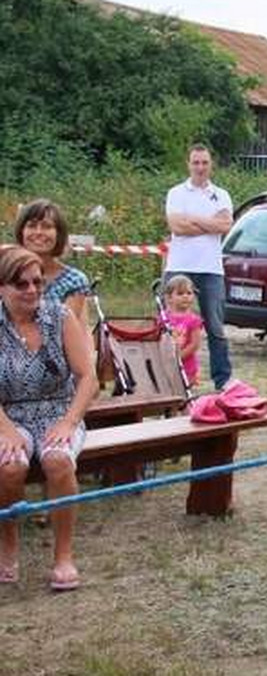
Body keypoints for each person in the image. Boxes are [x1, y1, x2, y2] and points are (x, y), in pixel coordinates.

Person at [0, 247, 99, 591]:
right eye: (20, 283)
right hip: (8, 413)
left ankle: (64, 555)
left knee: (58, 461)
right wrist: (6, 428)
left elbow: (88, 378)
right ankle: (8, 541)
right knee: (9, 465)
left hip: (58, 410)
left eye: (37, 282)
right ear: (1, 287)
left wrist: (69, 422)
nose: (31, 290)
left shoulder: (60, 316)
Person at [164, 143, 234, 390]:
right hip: (179, 267)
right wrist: (209, 223)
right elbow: (177, 227)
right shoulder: (176, 193)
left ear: (211, 164)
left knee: (215, 326)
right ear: (188, 164)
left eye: (204, 162)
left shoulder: (222, 194)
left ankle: (222, 379)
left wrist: (193, 218)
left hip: (211, 270)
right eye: (196, 162)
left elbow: (225, 225)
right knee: (170, 324)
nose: (200, 167)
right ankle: (166, 375)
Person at [13, 199, 90, 322]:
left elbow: (70, 331)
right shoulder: (6, 273)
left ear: (59, 234)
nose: (38, 232)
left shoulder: (74, 281)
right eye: (32, 226)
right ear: (21, 232)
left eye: (47, 226)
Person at [162, 275, 205, 389]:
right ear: (169, 298)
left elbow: (195, 344)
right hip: (166, 363)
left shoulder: (193, 320)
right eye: (180, 294)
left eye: (189, 293)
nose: (186, 297)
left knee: (184, 392)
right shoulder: (163, 318)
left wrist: (179, 357)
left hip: (186, 365)